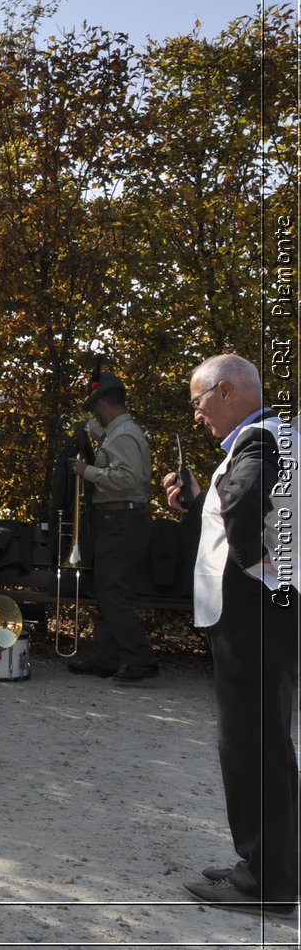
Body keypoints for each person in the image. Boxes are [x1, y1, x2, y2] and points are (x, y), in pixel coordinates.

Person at [166, 354, 298, 916]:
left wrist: (255, 562)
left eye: (199, 402)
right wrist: (198, 502)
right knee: (264, 742)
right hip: (267, 613)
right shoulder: (276, 436)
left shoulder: (260, 441)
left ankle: (264, 883)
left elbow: (246, 504)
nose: (197, 416)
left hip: (252, 614)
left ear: (224, 390)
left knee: (251, 746)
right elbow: (236, 506)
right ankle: (266, 867)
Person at [66, 372, 158, 682]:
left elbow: (129, 479)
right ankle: (105, 657)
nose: (96, 415)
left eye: (96, 410)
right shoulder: (119, 433)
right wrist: (89, 430)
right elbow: (112, 450)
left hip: (122, 519)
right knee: (108, 590)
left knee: (112, 592)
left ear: (104, 404)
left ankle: (141, 660)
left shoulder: (125, 435)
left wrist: (87, 471)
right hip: (117, 520)